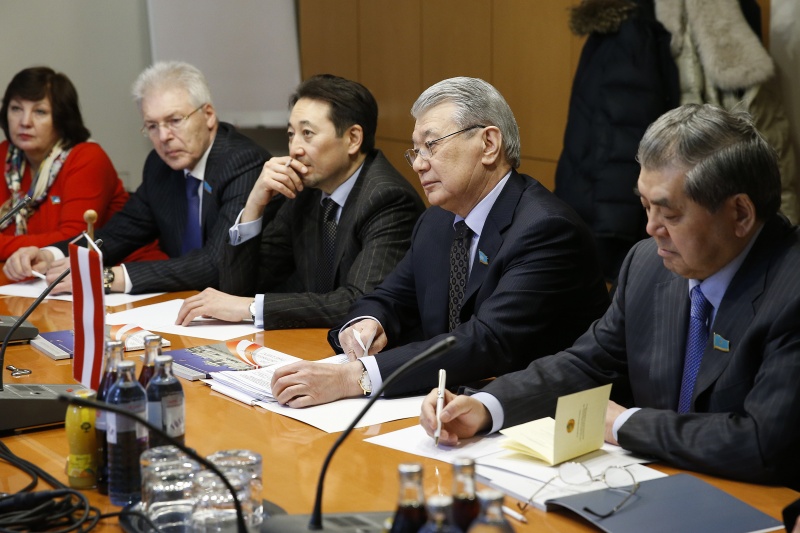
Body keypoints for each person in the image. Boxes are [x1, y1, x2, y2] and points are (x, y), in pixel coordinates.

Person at [420, 103, 800, 488]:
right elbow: (586, 365)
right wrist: (486, 407)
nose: (651, 228)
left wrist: (623, 423)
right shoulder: (647, 265)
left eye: (670, 214)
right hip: (648, 489)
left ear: (740, 214)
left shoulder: (791, 289)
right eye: (644, 206)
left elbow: (762, 444)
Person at [270, 77, 609, 407]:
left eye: (431, 146)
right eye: (415, 151)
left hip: (542, 419)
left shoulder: (546, 229)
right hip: (449, 407)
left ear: (489, 144)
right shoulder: (437, 221)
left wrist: (354, 377)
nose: (418, 164)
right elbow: (387, 298)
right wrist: (367, 322)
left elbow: (487, 341)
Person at [175, 74, 424, 330]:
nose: (294, 149)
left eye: (307, 133)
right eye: (291, 134)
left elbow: (360, 302)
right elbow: (238, 287)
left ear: (353, 139)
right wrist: (254, 205)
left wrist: (250, 308)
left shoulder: (388, 199)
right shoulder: (306, 191)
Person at [3, 61, 274, 294]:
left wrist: (111, 277)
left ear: (208, 115)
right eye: (152, 126)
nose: (164, 137)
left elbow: (215, 263)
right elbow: (120, 232)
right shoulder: (160, 164)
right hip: (185, 305)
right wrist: (51, 254)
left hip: (253, 311)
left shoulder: (242, 162)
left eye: (175, 120)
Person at [0, 66, 130, 260]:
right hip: (35, 278)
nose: (25, 121)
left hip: (122, 275)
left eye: (40, 112)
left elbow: (74, 240)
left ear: (62, 118)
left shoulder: (87, 158)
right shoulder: (6, 156)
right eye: (16, 108)